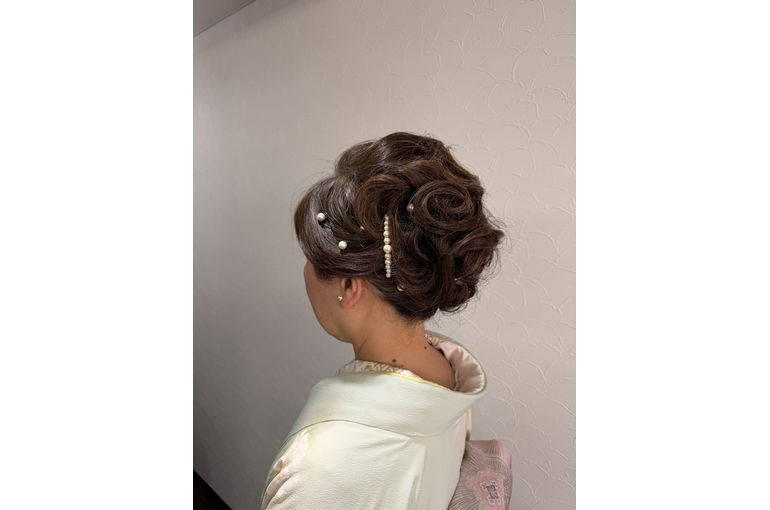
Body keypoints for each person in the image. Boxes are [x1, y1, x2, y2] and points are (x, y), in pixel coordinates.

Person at [259, 131, 505, 509]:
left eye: (310, 258)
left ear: (348, 286)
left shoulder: (317, 472)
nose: (305, 272)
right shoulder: (446, 373)